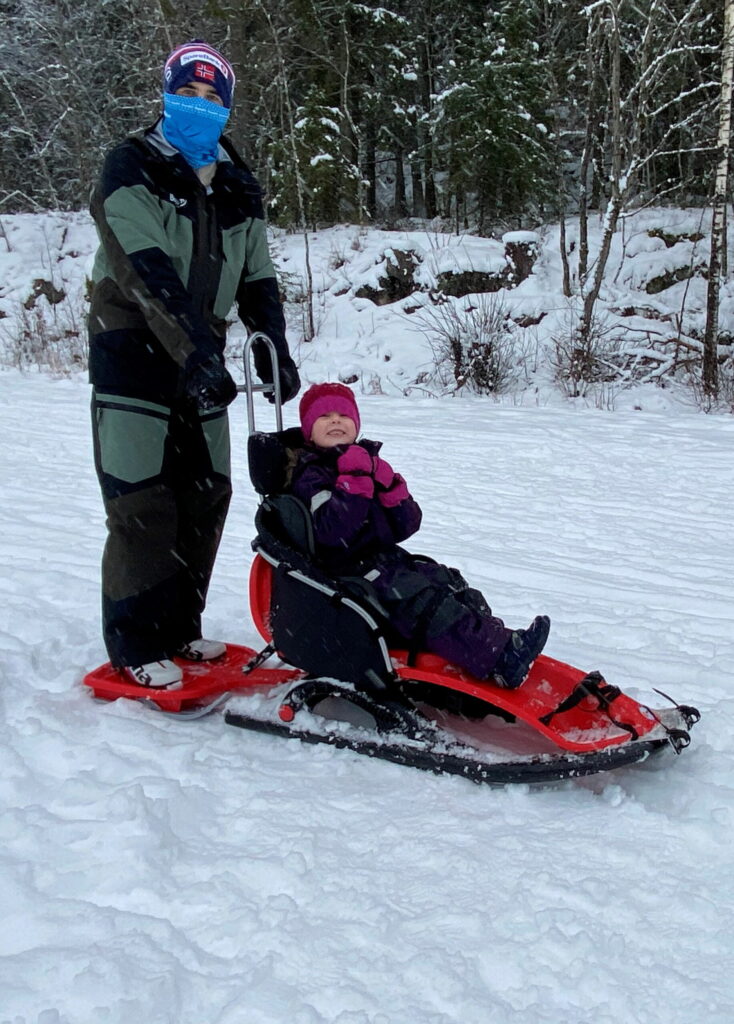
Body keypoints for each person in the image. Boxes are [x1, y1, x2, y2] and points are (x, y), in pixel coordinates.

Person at [88, 41, 300, 690]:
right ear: (166, 93)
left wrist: (273, 341)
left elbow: (257, 275)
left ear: (227, 108)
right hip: (135, 355)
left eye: (213, 98)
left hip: (200, 358)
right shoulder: (132, 166)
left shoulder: (237, 183)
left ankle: (180, 627)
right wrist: (198, 350)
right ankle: (135, 642)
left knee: (206, 492)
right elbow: (144, 268)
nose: (199, 106)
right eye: (188, 92)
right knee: (142, 500)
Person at [290, 382, 550, 688]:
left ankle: (484, 641)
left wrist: (391, 491)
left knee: (446, 581)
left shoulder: (364, 463)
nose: (335, 421)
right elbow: (333, 531)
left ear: (356, 425)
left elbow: (406, 526)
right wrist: (355, 480)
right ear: (308, 431)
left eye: (343, 416)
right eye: (324, 417)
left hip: (382, 560)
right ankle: (499, 657)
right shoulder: (311, 476)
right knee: (420, 600)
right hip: (347, 571)